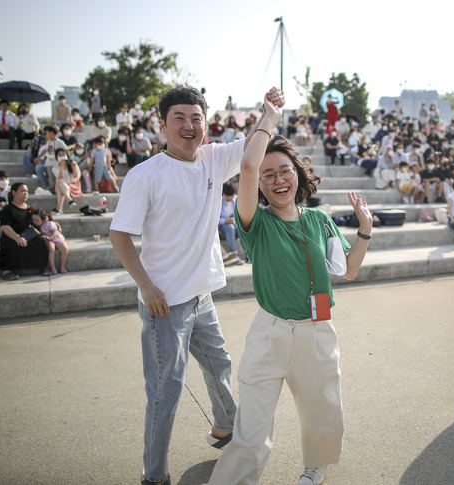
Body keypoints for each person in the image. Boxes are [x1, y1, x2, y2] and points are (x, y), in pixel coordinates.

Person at [110, 85, 280, 485]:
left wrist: (269, 113)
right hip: (164, 304)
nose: (189, 126)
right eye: (179, 118)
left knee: (219, 363)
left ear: (206, 123)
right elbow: (120, 235)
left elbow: (253, 147)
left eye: (196, 118)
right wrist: (147, 287)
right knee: (165, 392)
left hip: (201, 294)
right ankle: (154, 476)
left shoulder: (213, 159)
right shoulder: (145, 174)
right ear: (163, 123)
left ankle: (226, 428)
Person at [209, 104, 373, 485]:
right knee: (251, 428)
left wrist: (365, 231)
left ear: (298, 175)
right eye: (269, 175)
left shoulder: (320, 220)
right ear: (260, 185)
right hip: (269, 332)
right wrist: (269, 117)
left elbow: (347, 270)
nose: (278, 179)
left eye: (285, 171)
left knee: (322, 410)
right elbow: (246, 167)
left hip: (316, 331)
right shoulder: (256, 222)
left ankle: (315, 465)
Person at [0, 182, 50, 280]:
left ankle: (43, 267)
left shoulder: (29, 209)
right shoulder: (8, 209)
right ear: (14, 192)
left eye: (26, 191)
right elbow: (5, 226)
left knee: (42, 242)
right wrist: (17, 237)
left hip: (27, 236)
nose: (25, 193)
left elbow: (39, 220)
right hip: (11, 237)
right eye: (22, 191)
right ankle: (7, 271)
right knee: (14, 244)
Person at [32, 209, 69, 274]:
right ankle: (53, 268)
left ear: (43, 220)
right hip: (48, 240)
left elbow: (55, 231)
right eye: (33, 220)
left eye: (37, 220)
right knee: (51, 249)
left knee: (64, 249)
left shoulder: (49, 223)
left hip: (56, 238)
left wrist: (50, 237)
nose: (35, 222)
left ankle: (62, 267)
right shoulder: (35, 226)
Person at [219, 183, 244, 266]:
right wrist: (226, 221)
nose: (229, 198)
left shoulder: (238, 200)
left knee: (240, 228)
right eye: (227, 196)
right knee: (230, 228)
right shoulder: (219, 202)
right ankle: (234, 254)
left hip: (236, 227)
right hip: (223, 230)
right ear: (223, 194)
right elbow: (215, 219)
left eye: (231, 196)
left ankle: (248, 254)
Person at [52, 148, 82, 214]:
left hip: (73, 185)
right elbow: (60, 177)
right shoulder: (55, 168)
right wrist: (62, 167)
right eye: (60, 155)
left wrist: (74, 167)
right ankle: (69, 200)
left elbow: (75, 177)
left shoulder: (72, 164)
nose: (62, 156)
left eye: (63, 154)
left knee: (60, 186)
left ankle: (59, 208)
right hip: (63, 185)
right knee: (59, 181)